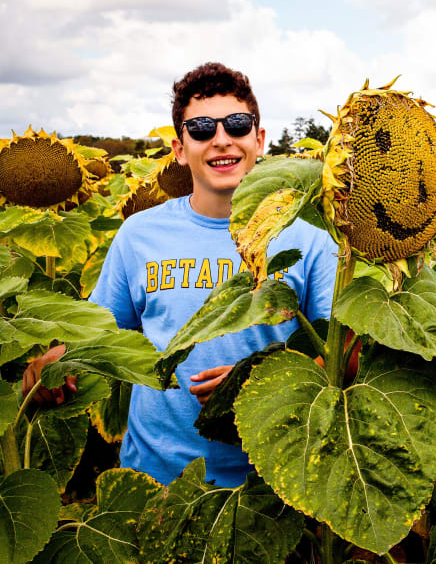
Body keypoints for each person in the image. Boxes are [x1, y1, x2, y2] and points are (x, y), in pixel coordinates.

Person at [23, 62, 336, 487]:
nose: (221, 140)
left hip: (271, 484)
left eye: (237, 124)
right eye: (202, 129)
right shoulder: (140, 235)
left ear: (258, 139)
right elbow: (100, 335)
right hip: (154, 482)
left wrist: (263, 383)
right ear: (179, 148)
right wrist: (53, 364)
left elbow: (340, 355)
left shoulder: (307, 236)